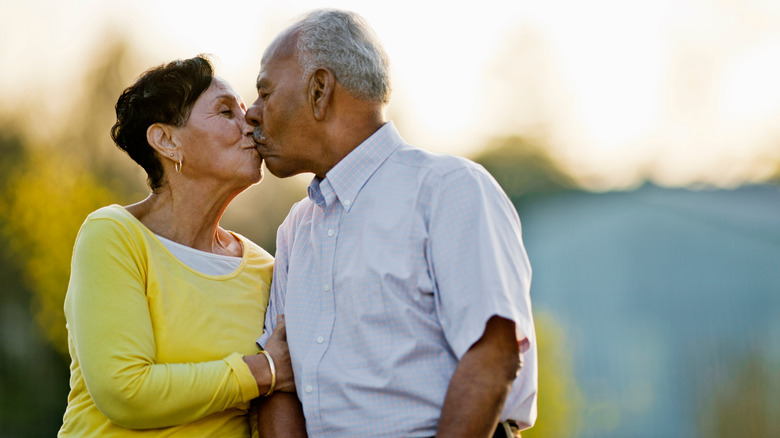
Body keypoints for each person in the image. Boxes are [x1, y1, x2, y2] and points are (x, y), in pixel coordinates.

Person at [248, 9, 537, 438]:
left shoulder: (449, 189)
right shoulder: (296, 228)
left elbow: (492, 357)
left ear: (319, 91)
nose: (251, 113)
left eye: (265, 92)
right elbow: (281, 385)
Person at [58, 55, 298, 437]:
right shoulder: (114, 236)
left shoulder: (266, 269)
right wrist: (263, 371)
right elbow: (126, 392)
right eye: (225, 112)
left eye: (244, 111)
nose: (251, 122)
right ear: (166, 140)